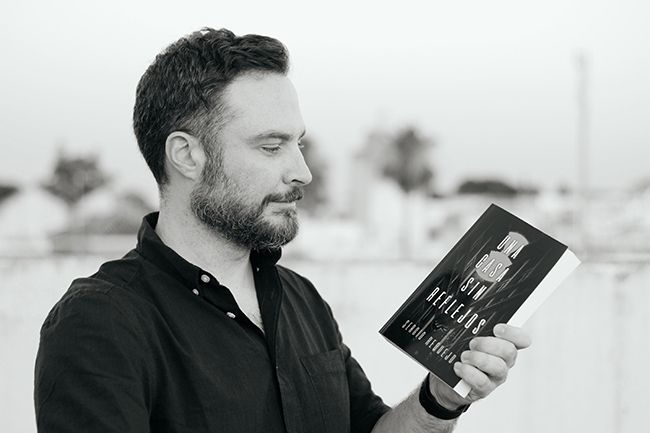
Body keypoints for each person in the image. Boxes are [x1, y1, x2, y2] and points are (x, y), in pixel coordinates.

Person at [34, 28, 531, 433]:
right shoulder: (100, 322)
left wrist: (439, 399)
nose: (302, 172)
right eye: (271, 147)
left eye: (299, 144)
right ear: (186, 155)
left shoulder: (301, 299)